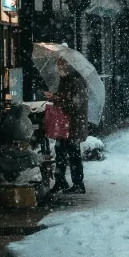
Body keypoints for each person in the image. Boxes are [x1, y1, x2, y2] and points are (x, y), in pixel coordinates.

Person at [46, 59, 88, 194]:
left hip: (74, 124)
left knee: (73, 153)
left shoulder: (77, 82)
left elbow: (75, 105)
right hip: (64, 124)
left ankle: (78, 183)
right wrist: (55, 97)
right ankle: (60, 180)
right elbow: (65, 98)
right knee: (60, 150)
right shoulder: (64, 81)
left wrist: (58, 100)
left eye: (61, 66)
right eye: (58, 66)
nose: (58, 69)